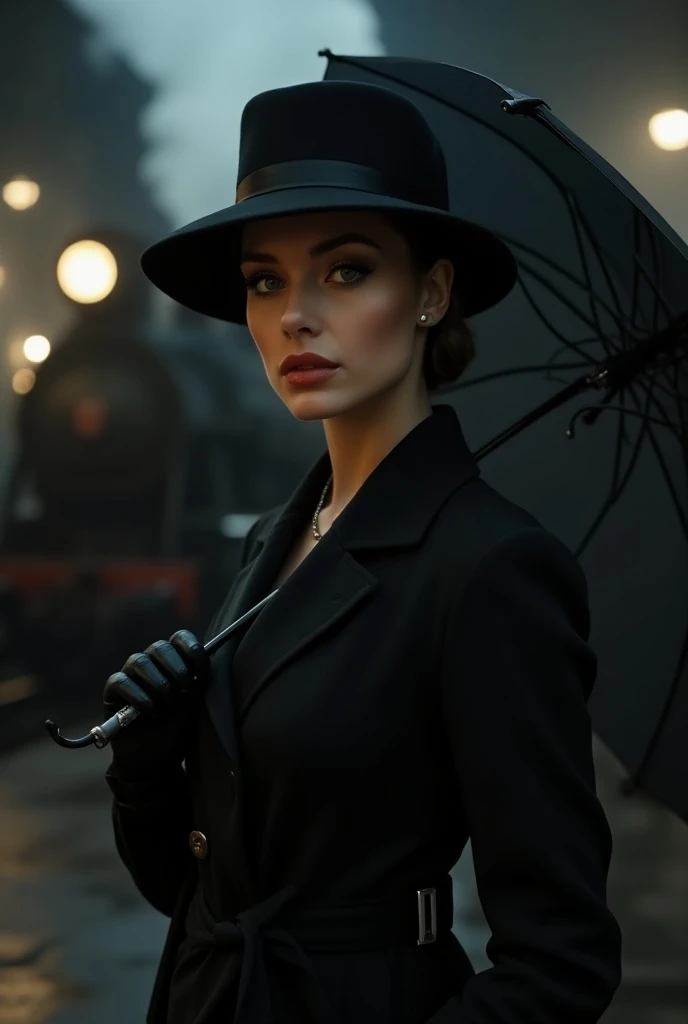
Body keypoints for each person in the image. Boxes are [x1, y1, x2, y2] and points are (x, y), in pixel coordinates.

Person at [103, 80, 622, 1024]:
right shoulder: (275, 537)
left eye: (345, 271)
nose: (296, 315)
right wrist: (146, 769)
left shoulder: (492, 565)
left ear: (430, 293)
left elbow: (562, 963)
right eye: (266, 279)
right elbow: (200, 896)